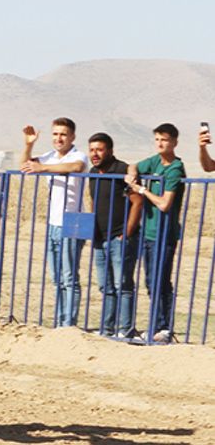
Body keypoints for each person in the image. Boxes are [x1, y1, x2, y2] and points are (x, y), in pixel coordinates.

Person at [21, 117, 88, 327]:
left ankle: (69, 322)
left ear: (72, 137)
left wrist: (44, 169)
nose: (59, 138)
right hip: (53, 222)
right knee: (56, 276)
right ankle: (60, 320)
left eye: (63, 134)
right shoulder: (49, 157)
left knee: (69, 277)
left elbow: (76, 167)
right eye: (56, 134)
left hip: (73, 220)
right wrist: (29, 145)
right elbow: (25, 164)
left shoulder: (78, 155)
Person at [124, 123, 185, 343]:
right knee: (151, 280)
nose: (160, 143)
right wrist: (132, 176)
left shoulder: (175, 168)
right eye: (157, 139)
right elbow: (134, 166)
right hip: (148, 231)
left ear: (175, 142)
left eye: (165, 140)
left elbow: (164, 204)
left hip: (164, 233)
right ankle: (155, 326)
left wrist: (141, 190)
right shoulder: (155, 161)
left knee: (160, 280)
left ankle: (163, 327)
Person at [87, 133, 143, 337]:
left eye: (99, 149)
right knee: (106, 286)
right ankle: (107, 328)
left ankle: (125, 329)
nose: (95, 154)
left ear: (110, 150)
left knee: (123, 285)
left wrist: (126, 233)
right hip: (100, 239)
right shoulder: (93, 172)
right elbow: (93, 201)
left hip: (119, 237)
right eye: (92, 149)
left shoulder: (121, 171)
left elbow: (137, 202)